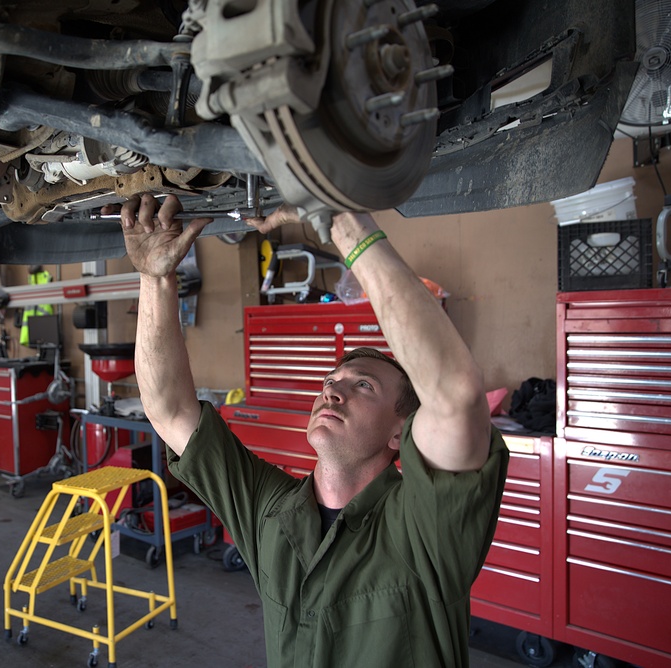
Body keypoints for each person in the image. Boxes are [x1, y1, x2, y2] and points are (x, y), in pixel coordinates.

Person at [117, 194, 509, 667]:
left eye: (362, 385)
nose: (332, 393)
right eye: (330, 382)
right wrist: (155, 279)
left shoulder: (422, 528)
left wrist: (338, 218)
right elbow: (169, 410)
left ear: (399, 432)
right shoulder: (272, 515)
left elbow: (454, 395)